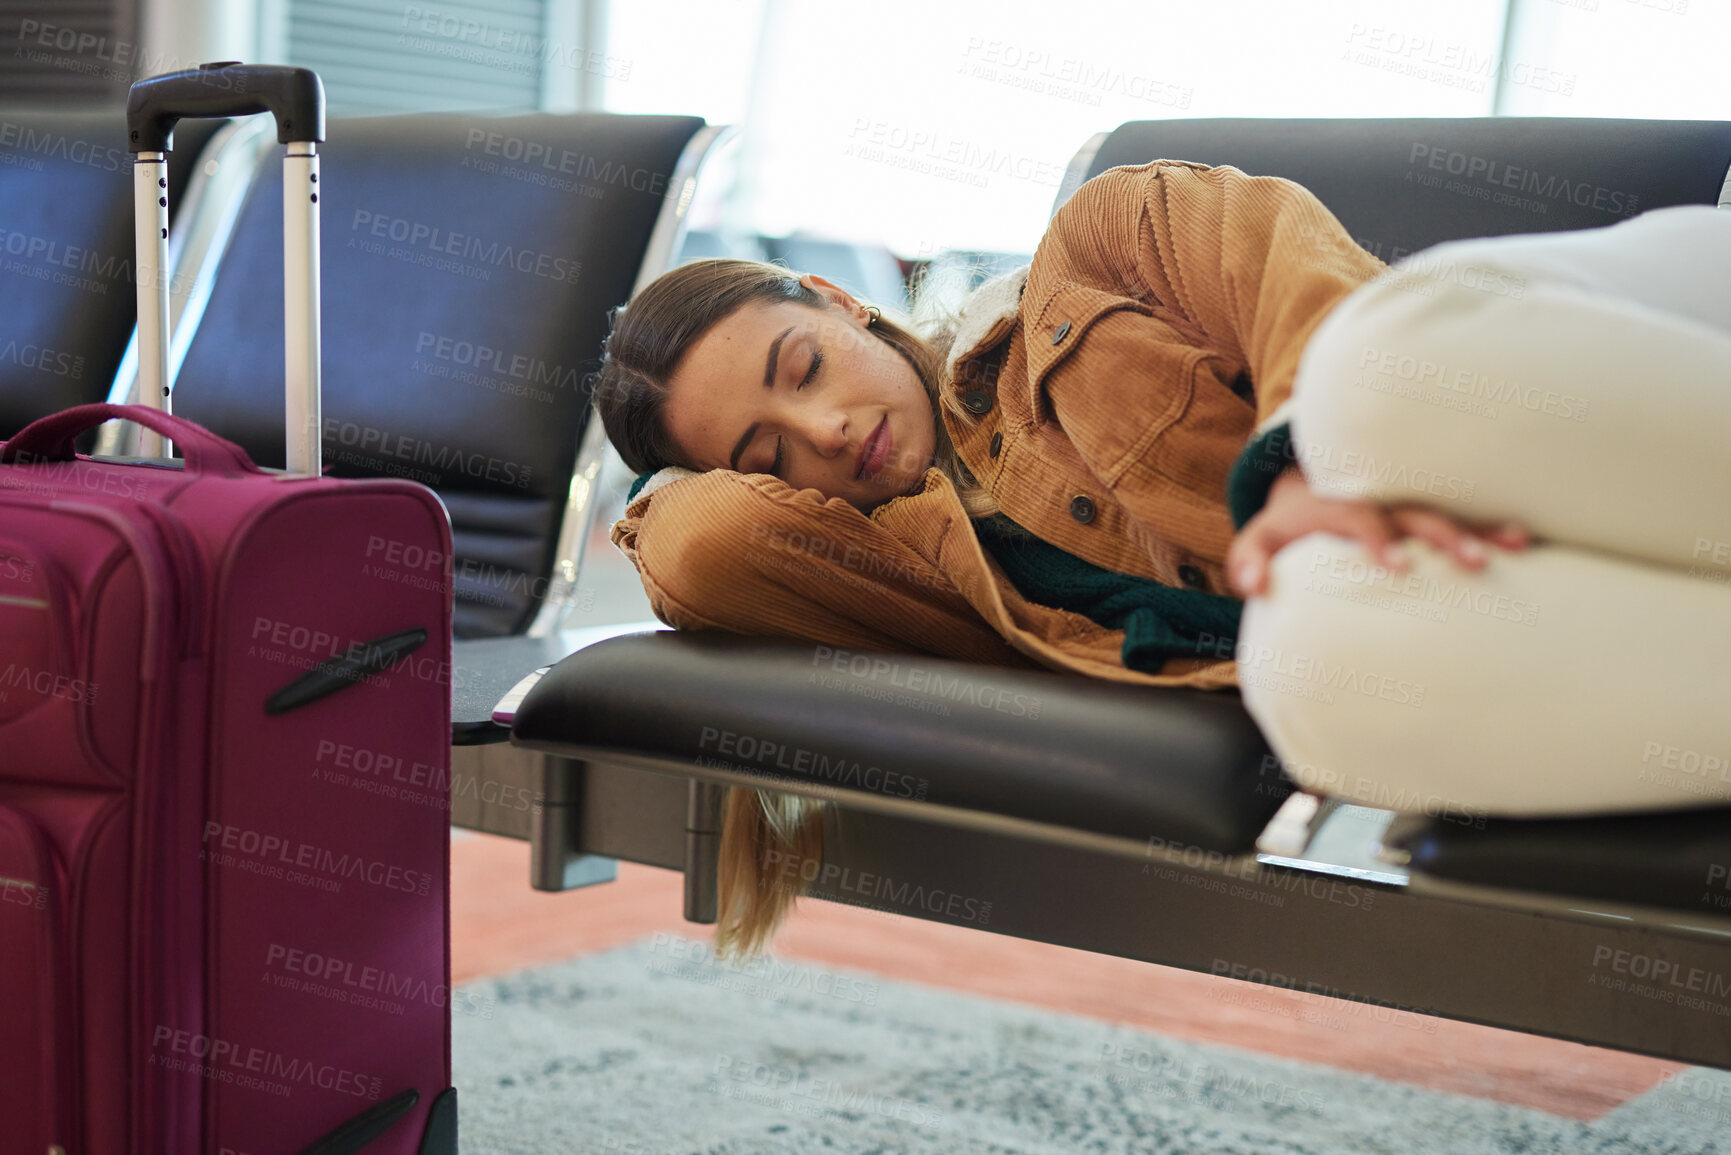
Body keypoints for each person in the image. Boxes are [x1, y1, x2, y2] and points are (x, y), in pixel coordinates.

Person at [591, 159, 1731, 956]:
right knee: (1317, 682)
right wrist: (674, 487)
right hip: (1458, 567)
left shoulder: (1084, 253)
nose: (825, 433)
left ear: (840, 302)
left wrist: (1297, 470)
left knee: (1369, 383)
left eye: (802, 369)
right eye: (768, 455)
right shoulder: (925, 572)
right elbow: (704, 547)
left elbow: (1289, 270)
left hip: (1565, 366)